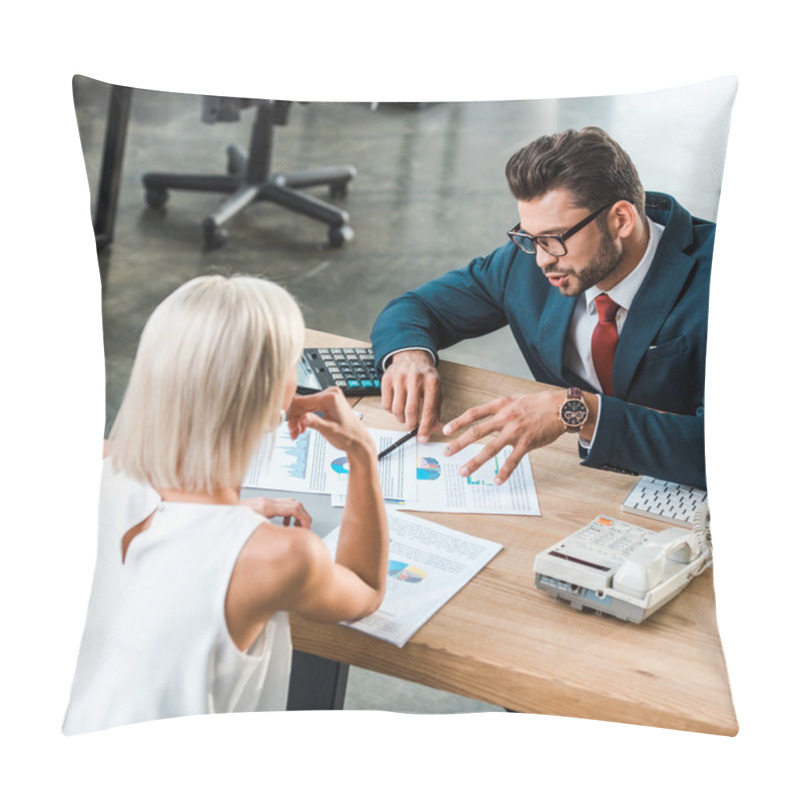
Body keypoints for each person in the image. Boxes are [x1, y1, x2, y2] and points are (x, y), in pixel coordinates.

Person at [63, 274, 388, 735]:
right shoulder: (284, 556)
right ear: (274, 393)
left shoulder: (87, 467)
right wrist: (362, 454)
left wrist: (233, 519)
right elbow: (363, 591)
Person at [371, 126, 712, 489]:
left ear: (621, 220)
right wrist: (409, 354)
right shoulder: (530, 261)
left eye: (554, 239)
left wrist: (577, 412)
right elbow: (418, 307)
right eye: (531, 238)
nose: (541, 260)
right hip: (571, 480)